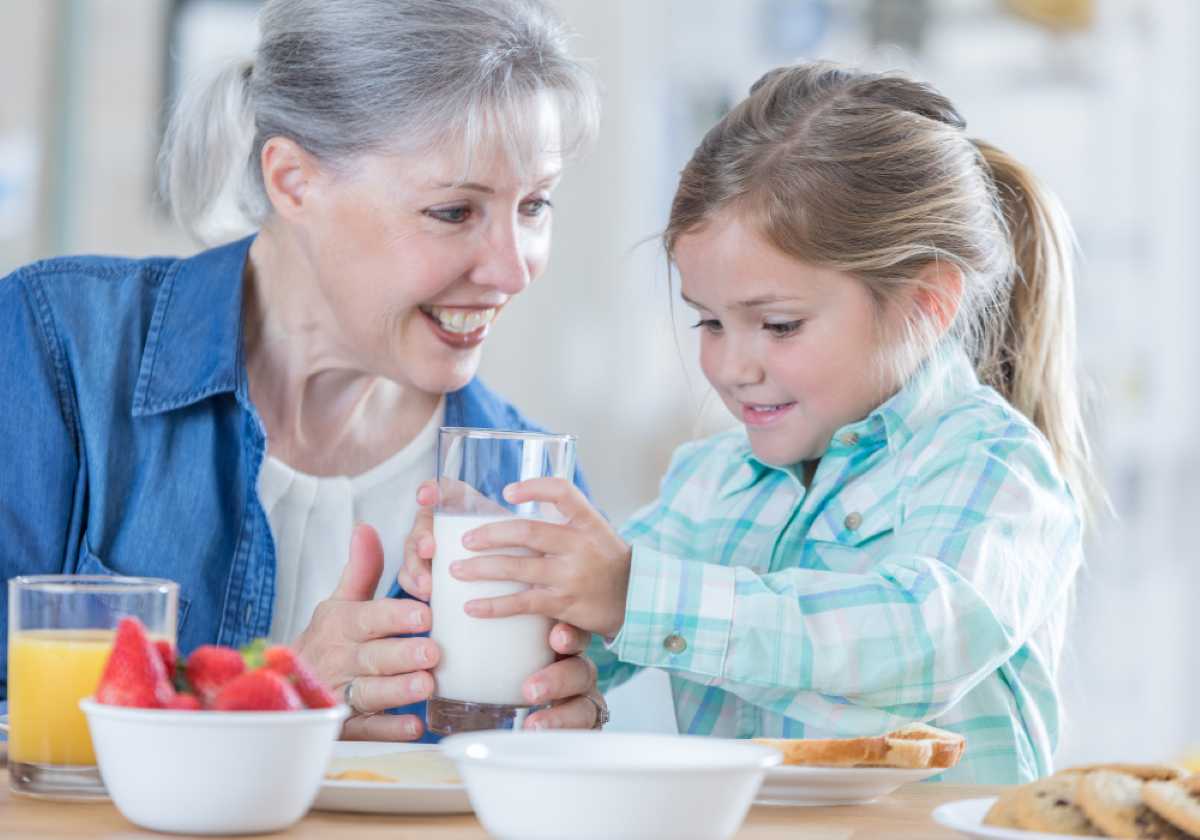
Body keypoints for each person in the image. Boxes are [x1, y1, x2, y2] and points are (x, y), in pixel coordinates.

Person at [401, 62, 1100, 781]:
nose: (734, 366)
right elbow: (587, 631)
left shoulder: (991, 464)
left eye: (777, 324)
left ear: (926, 303)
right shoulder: (708, 485)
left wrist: (636, 592)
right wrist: (505, 594)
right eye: (708, 321)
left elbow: (922, 640)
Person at [0, 0, 606, 740]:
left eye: (535, 205)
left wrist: (556, 757)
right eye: (454, 211)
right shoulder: (57, 348)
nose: (513, 271)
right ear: (293, 181)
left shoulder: (525, 490)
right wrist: (274, 710)